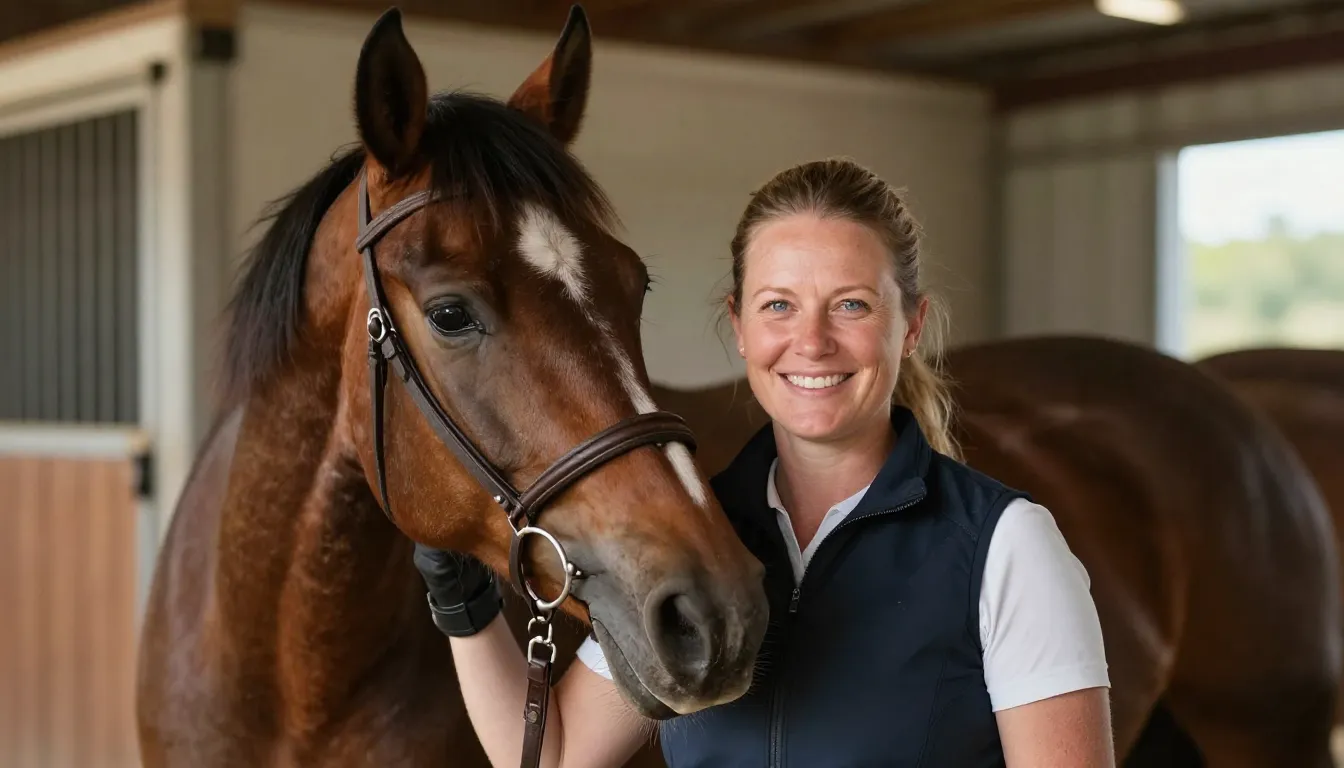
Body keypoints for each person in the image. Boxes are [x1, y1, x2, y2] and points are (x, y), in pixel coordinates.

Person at [414, 157, 1114, 767]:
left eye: (851, 305)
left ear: (913, 327)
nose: (811, 342)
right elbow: (554, 755)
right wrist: (459, 600)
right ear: (741, 327)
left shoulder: (1004, 545)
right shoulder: (698, 539)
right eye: (779, 305)